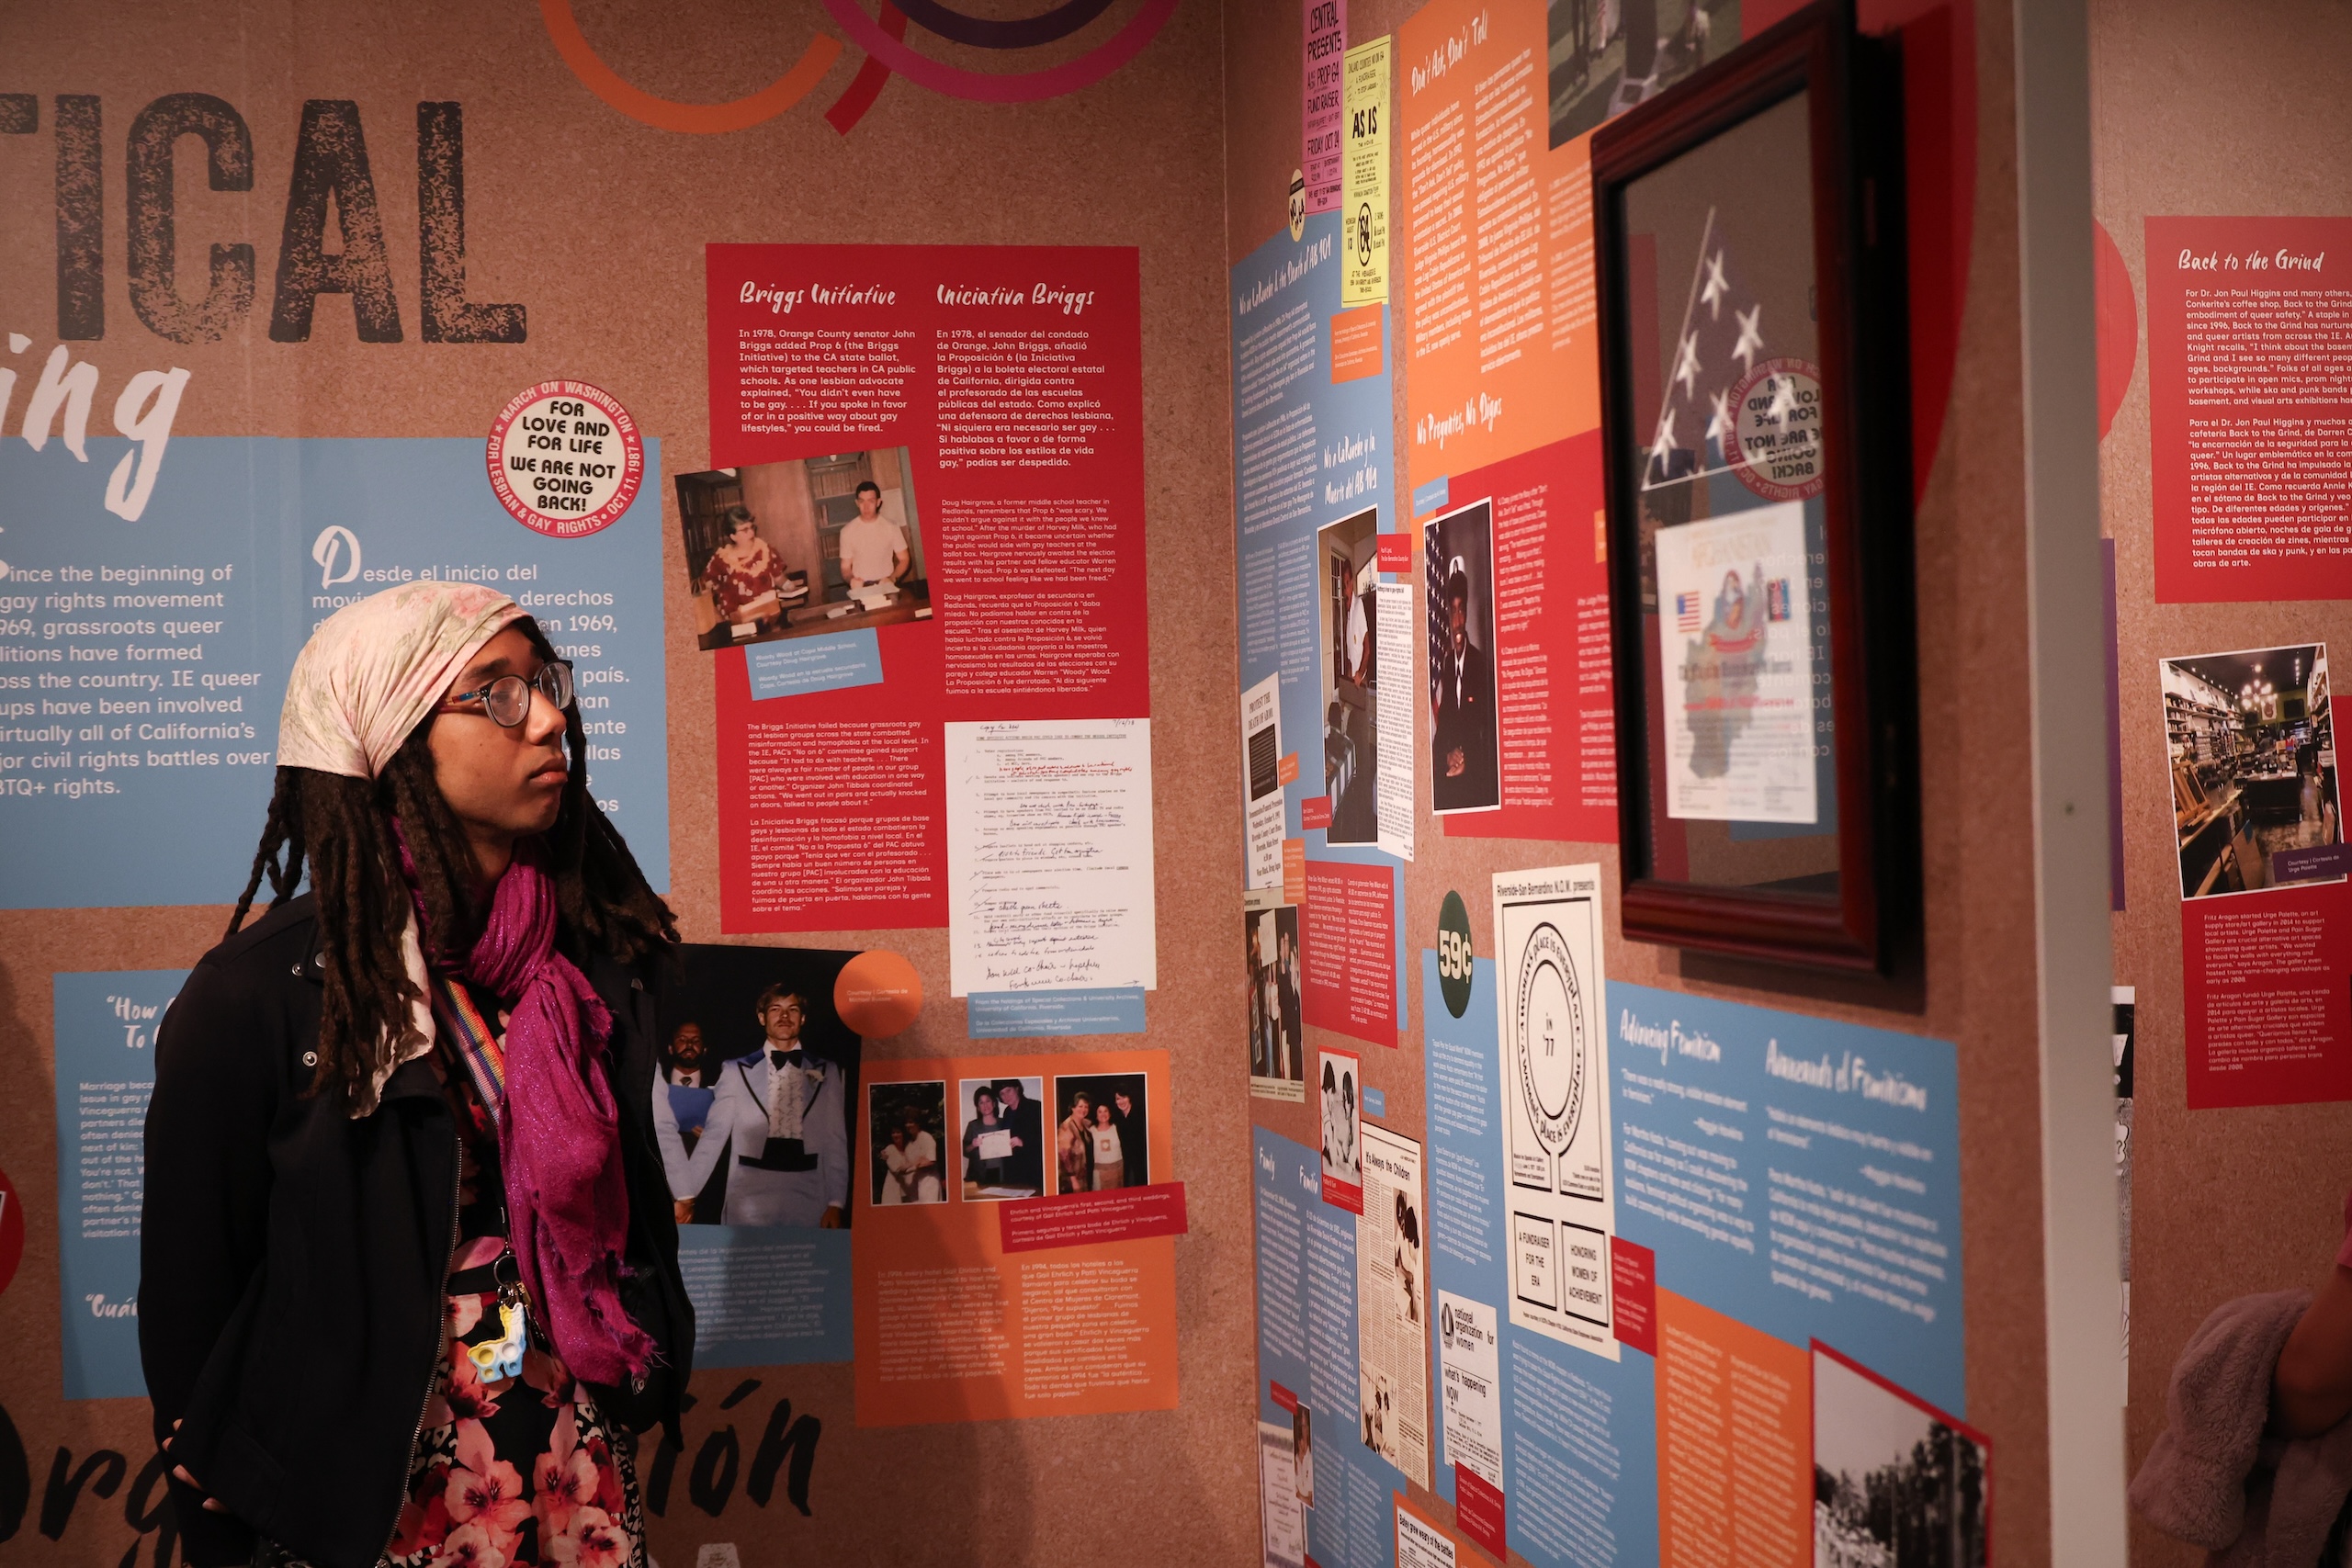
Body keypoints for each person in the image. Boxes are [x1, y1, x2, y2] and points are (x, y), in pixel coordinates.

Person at [140, 581, 688, 1568]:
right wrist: (226, 1496)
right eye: (499, 694)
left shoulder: (590, 963)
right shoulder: (260, 992)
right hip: (363, 1490)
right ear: (392, 737)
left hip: (568, 1460)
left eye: (547, 684)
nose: (548, 719)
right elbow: (192, 1287)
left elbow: (633, 1213)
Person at [681, 987, 850, 1227]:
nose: (784, 1016)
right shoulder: (735, 1071)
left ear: (803, 1018)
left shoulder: (828, 1071)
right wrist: (687, 1195)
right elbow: (713, 1138)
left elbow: (836, 1142)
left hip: (810, 1197)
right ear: (762, 1018)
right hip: (748, 1198)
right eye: (775, 1009)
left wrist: (835, 1202)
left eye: (793, 1009)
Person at [1431, 558, 1498, 812]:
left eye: (1462, 610)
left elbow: (1489, 733)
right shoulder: (1447, 666)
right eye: (1453, 611)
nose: (1457, 620)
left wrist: (1467, 761)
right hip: (1451, 779)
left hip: (1475, 782)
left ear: (1467, 612)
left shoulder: (1480, 665)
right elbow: (1444, 728)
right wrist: (1447, 756)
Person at [650, 1021, 720, 1222]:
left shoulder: (721, 1085)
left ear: (705, 1049)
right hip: (659, 1175)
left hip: (703, 1182)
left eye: (696, 1040)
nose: (689, 1045)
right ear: (670, 1048)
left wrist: (712, 1135)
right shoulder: (654, 1082)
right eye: (682, 1039)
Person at [704, 505, 793, 631]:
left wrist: (791, 588)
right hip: (739, 625)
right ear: (733, 536)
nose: (751, 533)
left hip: (770, 619)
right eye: (745, 530)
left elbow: (778, 578)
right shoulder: (721, 560)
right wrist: (719, 619)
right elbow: (705, 590)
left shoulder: (766, 551)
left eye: (752, 527)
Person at [837, 479, 910, 593]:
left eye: (871, 501)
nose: (866, 507)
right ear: (857, 503)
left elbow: (904, 559)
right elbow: (845, 568)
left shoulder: (891, 527)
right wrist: (851, 580)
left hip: (886, 586)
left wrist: (892, 578)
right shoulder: (847, 531)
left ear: (878, 502)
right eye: (862, 501)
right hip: (861, 588)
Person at [994, 1078, 1044, 1195]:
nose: (1006, 1096)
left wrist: (1023, 1142)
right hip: (1012, 1169)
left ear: (1017, 1089)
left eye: (1009, 1090)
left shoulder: (1035, 1107)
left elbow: (1046, 1137)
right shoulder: (1007, 1112)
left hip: (1031, 1168)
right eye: (1002, 1093)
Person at [963, 1086, 1013, 1191]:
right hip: (979, 1174)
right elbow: (965, 1150)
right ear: (978, 1107)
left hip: (1002, 1173)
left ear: (994, 1103)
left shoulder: (1004, 1122)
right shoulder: (973, 1126)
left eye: (988, 1101)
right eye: (981, 1102)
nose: (985, 1105)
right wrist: (973, 1145)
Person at [1277, 927, 1304, 1082]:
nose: (1285, 947)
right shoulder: (1281, 975)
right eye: (1283, 944)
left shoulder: (1294, 970)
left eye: (1287, 942)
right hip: (1288, 1030)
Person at [899, 1111, 942, 1202]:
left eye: (911, 1122)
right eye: (906, 1123)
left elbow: (931, 1161)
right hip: (916, 1184)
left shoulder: (926, 1138)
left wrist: (912, 1164)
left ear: (918, 1123)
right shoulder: (909, 1145)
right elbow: (909, 1165)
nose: (908, 1125)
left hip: (929, 1181)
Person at [1110, 1087, 1148, 1188]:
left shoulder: (1141, 1113)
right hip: (1125, 1161)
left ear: (1129, 1097)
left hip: (1142, 1161)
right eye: (1118, 1099)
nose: (1121, 1101)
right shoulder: (1117, 1117)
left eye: (1124, 1097)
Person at [1059, 1091, 1095, 1194]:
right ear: (1073, 1108)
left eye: (1086, 1107)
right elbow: (1064, 1157)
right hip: (1074, 1180)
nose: (1083, 1109)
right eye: (1080, 1106)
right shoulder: (1066, 1127)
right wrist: (1074, 1181)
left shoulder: (1086, 1124)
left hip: (1085, 1175)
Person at [1089, 1100, 1125, 1190]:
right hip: (1099, 1173)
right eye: (1100, 1112)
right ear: (1096, 1115)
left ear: (1110, 1113)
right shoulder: (1091, 1131)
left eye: (1106, 1111)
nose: (1103, 1114)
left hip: (1118, 1171)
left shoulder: (1117, 1128)